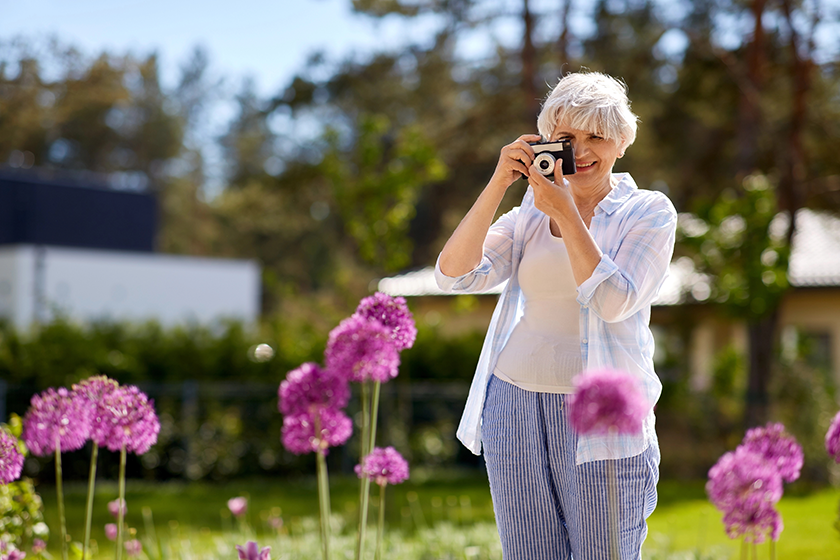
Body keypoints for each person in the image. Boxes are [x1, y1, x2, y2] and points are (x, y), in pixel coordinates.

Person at [434, 71, 677, 559]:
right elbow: (454, 275)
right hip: (513, 407)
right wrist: (500, 181)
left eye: (597, 136)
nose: (581, 150)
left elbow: (613, 301)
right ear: (548, 142)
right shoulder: (528, 213)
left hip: (604, 420)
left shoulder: (649, 213)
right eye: (567, 138)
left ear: (622, 143)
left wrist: (567, 212)